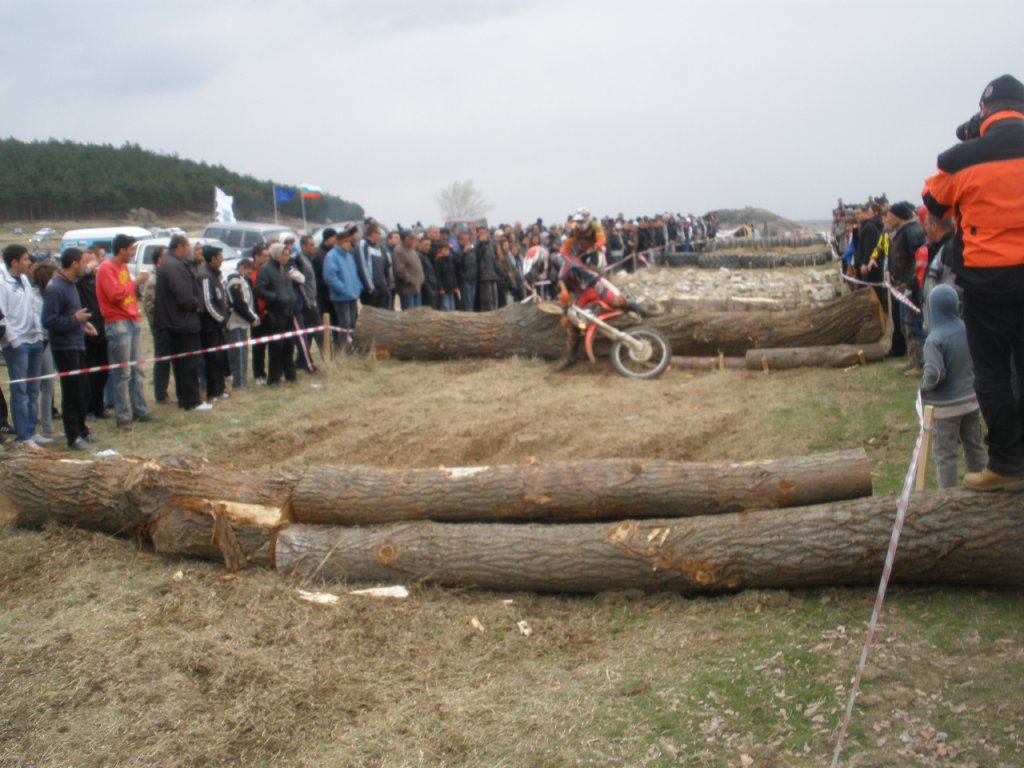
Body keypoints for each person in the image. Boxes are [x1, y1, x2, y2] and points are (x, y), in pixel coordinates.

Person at [922, 73, 1024, 491]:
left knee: (993, 372)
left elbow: (933, 201)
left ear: (984, 111)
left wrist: (970, 141)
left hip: (988, 283)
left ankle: (1008, 465)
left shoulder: (961, 158)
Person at [42, 248, 100, 450]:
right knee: (72, 392)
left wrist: (83, 325)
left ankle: (83, 429)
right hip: (64, 347)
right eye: (83, 262)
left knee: (84, 389)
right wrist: (74, 320)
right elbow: (49, 321)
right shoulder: (55, 288)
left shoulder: (71, 285)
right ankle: (73, 437)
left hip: (77, 343)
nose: (86, 267)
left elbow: (71, 315)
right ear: (74, 264)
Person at [548, 249, 639, 371]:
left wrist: (561, 279)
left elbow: (568, 264)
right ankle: (570, 356)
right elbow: (566, 295)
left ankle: (640, 308)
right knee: (573, 322)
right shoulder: (552, 273)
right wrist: (566, 306)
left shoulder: (557, 257)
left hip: (594, 284)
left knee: (618, 302)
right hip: (582, 295)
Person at [96, 233, 152, 430]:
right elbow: (114, 294)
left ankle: (140, 409)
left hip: (131, 320)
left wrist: (135, 309)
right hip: (117, 322)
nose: (133, 253)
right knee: (122, 372)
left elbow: (127, 293)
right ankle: (123, 416)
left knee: (137, 369)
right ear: (121, 250)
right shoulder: (106, 268)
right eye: (131, 249)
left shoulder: (123, 268)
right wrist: (136, 282)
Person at [155, 235, 211, 412]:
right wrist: (196, 305)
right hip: (182, 322)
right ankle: (191, 400)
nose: (189, 250)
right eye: (188, 246)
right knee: (188, 363)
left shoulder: (172, 263)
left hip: (177, 321)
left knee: (182, 364)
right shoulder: (174, 266)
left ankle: (184, 399)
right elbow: (183, 295)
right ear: (180, 247)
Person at [0, 244, 45, 445]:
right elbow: (2, 316)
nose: (29, 263)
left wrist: (39, 333)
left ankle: (32, 430)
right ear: (14, 262)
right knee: (21, 391)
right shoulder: (3, 284)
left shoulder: (25, 280)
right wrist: (14, 341)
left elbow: (33, 308)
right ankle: (23, 435)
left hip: (34, 339)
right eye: (25, 259)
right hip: (17, 344)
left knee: (34, 389)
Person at [255, 242, 298, 384]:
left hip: (289, 311)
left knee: (289, 345)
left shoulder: (284, 268)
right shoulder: (266, 269)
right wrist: (275, 297)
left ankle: (290, 375)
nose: (287, 258)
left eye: (288, 255)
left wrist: (292, 299)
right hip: (276, 313)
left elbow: (289, 286)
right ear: (277, 255)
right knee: (276, 347)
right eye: (284, 255)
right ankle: (274, 378)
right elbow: (259, 289)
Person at [322, 224, 363, 353]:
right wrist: (343, 289)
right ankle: (345, 350)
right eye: (347, 242)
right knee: (344, 324)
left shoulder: (349, 256)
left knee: (352, 323)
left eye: (350, 242)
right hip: (341, 297)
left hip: (352, 295)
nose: (349, 244)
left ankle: (353, 347)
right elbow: (330, 277)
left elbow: (354, 274)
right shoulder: (331, 256)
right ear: (340, 242)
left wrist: (358, 287)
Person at [198, 244, 229, 402]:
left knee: (220, 358)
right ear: (213, 259)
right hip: (210, 326)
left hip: (219, 326)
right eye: (220, 257)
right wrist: (221, 319)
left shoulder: (216, 274)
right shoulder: (205, 275)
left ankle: (221, 388)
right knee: (212, 359)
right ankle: (213, 392)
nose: (222, 260)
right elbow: (208, 302)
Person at [224, 258, 259, 390]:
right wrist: (252, 318)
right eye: (249, 273)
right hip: (235, 322)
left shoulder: (240, 279)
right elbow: (239, 303)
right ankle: (239, 384)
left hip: (242, 323)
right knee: (238, 355)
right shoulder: (235, 281)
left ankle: (242, 381)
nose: (249, 276)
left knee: (243, 354)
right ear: (242, 268)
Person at [392, 230, 424, 310]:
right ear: (404, 238)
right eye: (410, 238)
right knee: (409, 314)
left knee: (418, 313)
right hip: (407, 290)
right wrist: (410, 280)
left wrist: (421, 279)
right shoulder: (399, 250)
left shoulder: (412, 249)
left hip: (417, 288)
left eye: (413, 238)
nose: (413, 239)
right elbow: (400, 270)